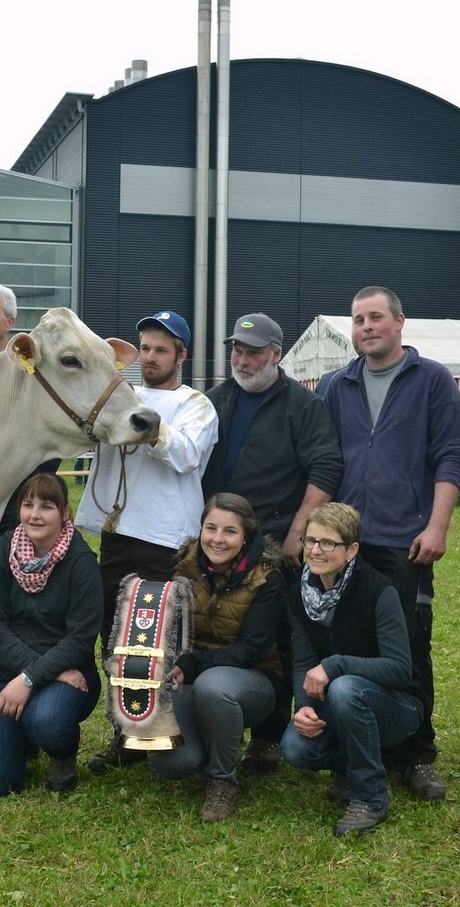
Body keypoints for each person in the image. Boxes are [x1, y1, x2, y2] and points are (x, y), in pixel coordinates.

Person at [322, 286, 460, 802]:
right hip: (345, 541)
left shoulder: (432, 380)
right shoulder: (336, 385)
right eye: (358, 319)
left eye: (376, 317)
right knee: (344, 645)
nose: (366, 327)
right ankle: (351, 754)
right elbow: (324, 459)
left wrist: (437, 525)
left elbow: (450, 455)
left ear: (400, 322)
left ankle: (417, 755)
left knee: (408, 646)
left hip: (405, 541)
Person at [201, 312, 344, 773]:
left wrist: (298, 534)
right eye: (237, 351)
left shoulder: (303, 406)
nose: (242, 360)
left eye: (254, 353)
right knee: (215, 630)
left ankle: (267, 738)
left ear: (276, 355)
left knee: (277, 640)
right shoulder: (213, 401)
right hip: (216, 544)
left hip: (273, 546)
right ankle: (207, 723)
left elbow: (326, 467)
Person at [79, 310, 219, 774]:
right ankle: (126, 734)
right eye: (145, 348)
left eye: (162, 349)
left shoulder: (196, 403)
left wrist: (141, 421)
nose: (151, 357)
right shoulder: (119, 395)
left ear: (181, 356)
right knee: (114, 639)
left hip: (165, 541)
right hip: (117, 533)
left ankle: (164, 735)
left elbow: (186, 453)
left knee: (157, 641)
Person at [279, 502, 421, 836]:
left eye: (328, 543)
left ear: (352, 550)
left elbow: (400, 669)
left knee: (345, 688)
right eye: (310, 540)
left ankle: (370, 798)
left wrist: (335, 665)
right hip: (337, 704)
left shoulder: (379, 590)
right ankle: (348, 765)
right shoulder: (299, 594)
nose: (316, 550)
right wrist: (305, 706)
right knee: (294, 748)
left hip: (396, 708)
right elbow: (303, 662)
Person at [149, 493, 285, 821]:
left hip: (251, 681)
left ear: (246, 536)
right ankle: (206, 751)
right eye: (210, 528)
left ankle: (223, 779)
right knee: (173, 763)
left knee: (213, 686)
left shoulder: (267, 577)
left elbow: (250, 651)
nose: (217, 539)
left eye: (229, 531)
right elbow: (168, 632)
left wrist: (191, 664)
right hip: (192, 676)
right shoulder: (183, 568)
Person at [0, 473, 102, 797]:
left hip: (70, 676)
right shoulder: (0, 553)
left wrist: (30, 677)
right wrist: (31, 674)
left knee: (46, 720)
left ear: (65, 513)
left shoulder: (82, 562)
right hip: (8, 675)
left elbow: (80, 639)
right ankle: (21, 737)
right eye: (28, 505)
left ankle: (61, 753)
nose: (35, 515)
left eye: (46, 506)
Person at [0, 284, 61, 681]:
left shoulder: (30, 376)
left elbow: (49, 441)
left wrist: (29, 500)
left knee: (21, 606)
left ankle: (27, 682)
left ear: (10, 322)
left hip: (17, 514)